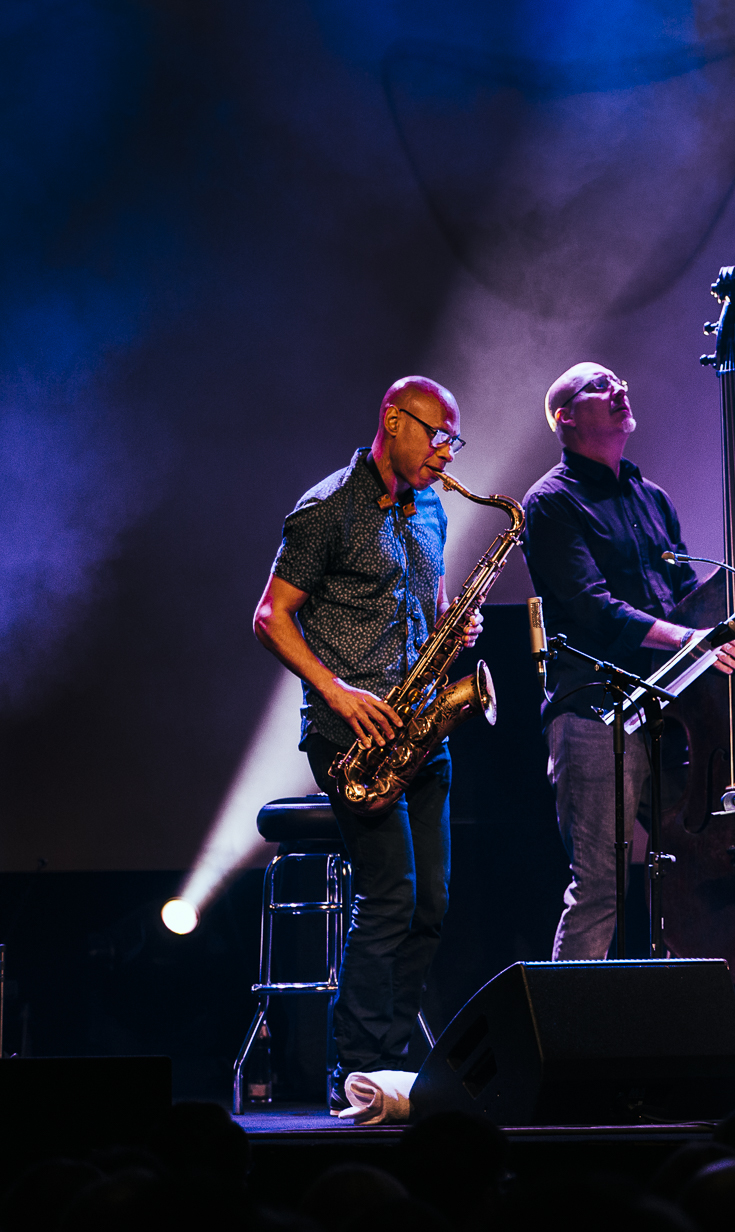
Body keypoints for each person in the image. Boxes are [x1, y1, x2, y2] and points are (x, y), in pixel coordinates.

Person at [252, 376, 481, 1109]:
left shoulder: (431, 508)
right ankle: (354, 1069)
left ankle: (392, 1064)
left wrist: (458, 629)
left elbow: (430, 603)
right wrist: (339, 692)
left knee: (432, 903)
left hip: (418, 729)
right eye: (439, 434)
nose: (446, 453)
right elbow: (270, 617)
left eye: (454, 440)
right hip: (350, 732)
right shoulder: (326, 508)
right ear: (394, 421)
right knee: (390, 896)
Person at [521, 362, 735, 960]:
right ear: (566, 417)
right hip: (596, 713)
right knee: (601, 888)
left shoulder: (650, 496)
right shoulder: (549, 503)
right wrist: (689, 641)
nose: (621, 388)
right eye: (601, 385)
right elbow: (594, 610)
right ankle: (565, 1040)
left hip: (669, 710)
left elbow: (682, 594)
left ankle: (684, 1023)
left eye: (621, 380)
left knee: (696, 871)